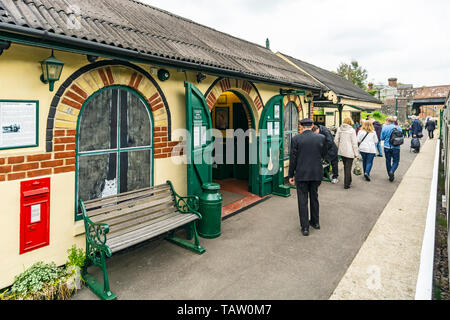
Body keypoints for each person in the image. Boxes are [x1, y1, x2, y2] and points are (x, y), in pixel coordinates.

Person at [289, 118, 327, 236]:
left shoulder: (296, 139)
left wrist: (291, 175)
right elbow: (324, 154)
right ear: (312, 125)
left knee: (302, 200)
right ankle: (315, 222)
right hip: (316, 173)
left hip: (302, 173)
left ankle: (305, 227)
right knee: (314, 197)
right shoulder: (321, 138)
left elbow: (293, 158)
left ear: (301, 126)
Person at [334, 117, 360, 189]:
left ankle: (349, 180)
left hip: (342, 151)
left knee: (346, 166)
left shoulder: (339, 129)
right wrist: (356, 154)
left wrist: (339, 147)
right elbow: (354, 143)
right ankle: (346, 184)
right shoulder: (352, 130)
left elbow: (336, 140)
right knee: (348, 168)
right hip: (350, 151)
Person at [380, 116, 402, 182]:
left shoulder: (385, 128)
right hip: (396, 147)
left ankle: (390, 175)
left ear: (388, 121)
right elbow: (401, 136)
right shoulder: (398, 127)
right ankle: (392, 171)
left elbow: (382, 138)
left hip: (387, 147)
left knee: (388, 161)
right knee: (396, 161)